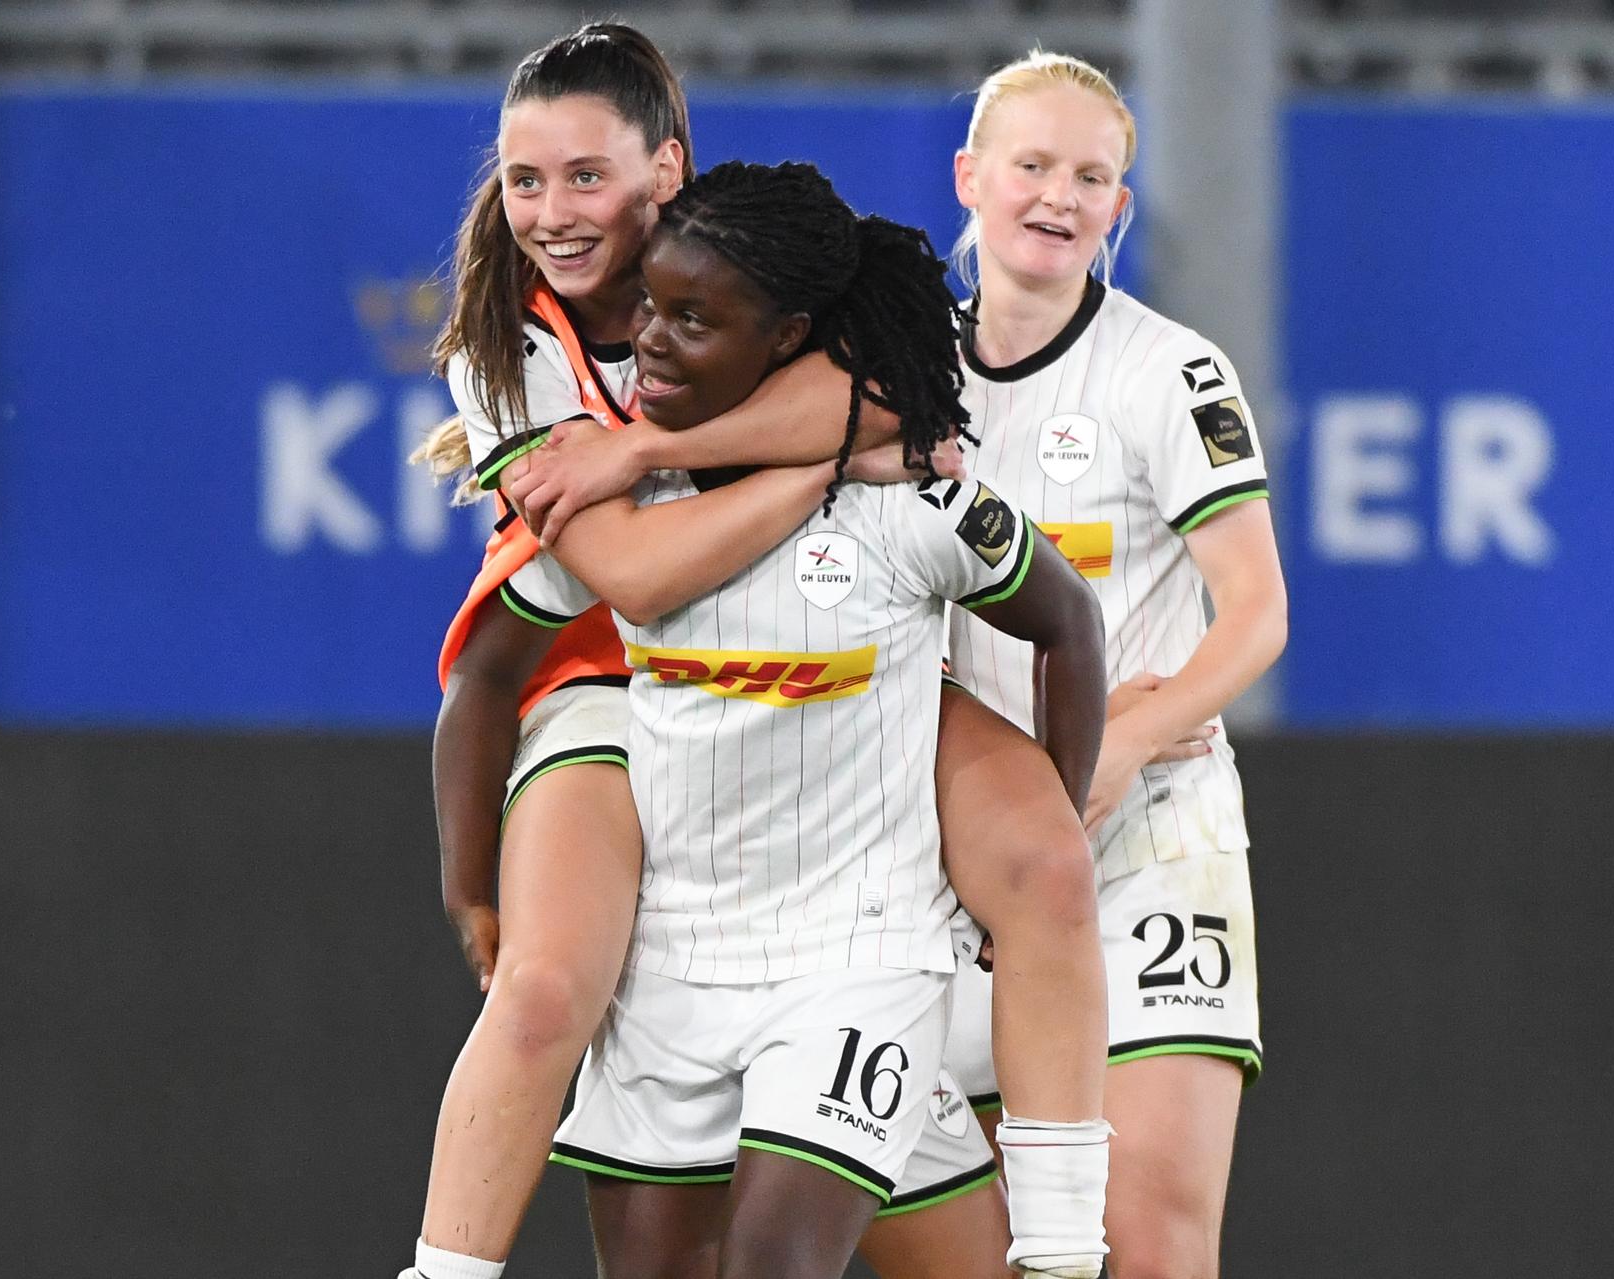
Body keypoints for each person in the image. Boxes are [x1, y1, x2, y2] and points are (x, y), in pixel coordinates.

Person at [510, 158, 1109, 1279]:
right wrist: (471, 877)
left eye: (694, 319)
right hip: (672, 965)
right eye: (649, 305)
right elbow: (490, 670)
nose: (650, 339)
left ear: (788, 336)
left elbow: (1070, 622)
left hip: (856, 962)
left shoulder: (913, 499)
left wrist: (1059, 810)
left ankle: (1070, 1246)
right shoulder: (615, 499)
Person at [400, 26, 934, 1279]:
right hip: (618, 676)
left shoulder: (753, 249)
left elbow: (912, 387)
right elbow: (631, 580)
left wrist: (645, 449)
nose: (553, 212)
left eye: (588, 175)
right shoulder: (502, 345)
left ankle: (1067, 1208)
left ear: (667, 168)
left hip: (827, 663)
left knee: (1030, 859)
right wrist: (822, 466)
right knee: (545, 989)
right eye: (526, 180)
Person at [940, 50, 1290, 1279]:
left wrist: (1127, 740)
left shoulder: (1170, 371)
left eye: (1091, 177)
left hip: (1150, 840)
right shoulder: (899, 374)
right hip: (968, 852)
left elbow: (1257, 613)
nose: (1059, 196)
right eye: (1032, 165)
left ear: (1120, 207)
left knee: (1149, 1241)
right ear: (970, 178)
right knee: (1007, 1253)